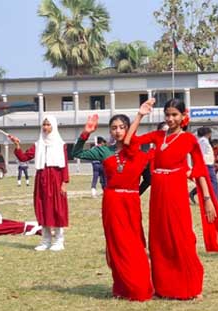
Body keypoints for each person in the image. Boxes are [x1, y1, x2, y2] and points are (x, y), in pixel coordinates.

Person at [124, 98, 218, 300]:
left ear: (184, 116)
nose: (170, 118)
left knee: (181, 236)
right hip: (158, 190)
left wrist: (207, 198)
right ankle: (164, 287)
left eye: (174, 114)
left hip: (176, 190)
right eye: (167, 114)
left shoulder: (189, 140)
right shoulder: (159, 136)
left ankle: (191, 286)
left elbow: (200, 170)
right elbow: (129, 141)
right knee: (159, 238)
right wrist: (140, 114)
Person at [71, 113, 153, 301]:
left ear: (129, 129)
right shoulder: (104, 151)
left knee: (135, 244)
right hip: (112, 203)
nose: (118, 131)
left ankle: (139, 285)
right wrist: (85, 133)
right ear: (110, 131)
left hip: (131, 204)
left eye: (122, 127)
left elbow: (149, 180)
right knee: (117, 244)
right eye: (114, 128)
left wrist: (133, 194)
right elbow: (76, 154)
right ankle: (122, 286)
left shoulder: (141, 155)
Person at [9, 115, 70, 252]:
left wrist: (64, 182)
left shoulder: (61, 144)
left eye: (48, 124)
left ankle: (59, 240)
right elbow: (24, 157)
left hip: (56, 178)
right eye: (44, 124)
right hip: (41, 179)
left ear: (53, 126)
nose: (46, 127)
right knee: (43, 208)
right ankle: (46, 240)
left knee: (56, 209)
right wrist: (17, 145)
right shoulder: (38, 144)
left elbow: (65, 165)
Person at [189, 127, 218, 203]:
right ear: (207, 133)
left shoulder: (200, 141)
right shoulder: (204, 141)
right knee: (214, 183)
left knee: (206, 182)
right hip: (207, 164)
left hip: (206, 163)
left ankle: (193, 193)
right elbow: (202, 153)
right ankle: (214, 200)